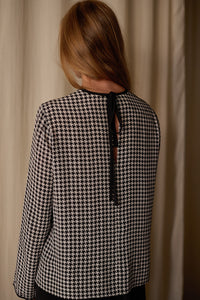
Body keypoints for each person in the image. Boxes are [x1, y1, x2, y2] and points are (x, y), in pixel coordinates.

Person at [13, 1, 161, 300]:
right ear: (114, 45)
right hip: (129, 286)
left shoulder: (54, 116)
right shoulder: (148, 117)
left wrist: (24, 283)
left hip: (64, 285)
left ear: (74, 51)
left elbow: (36, 213)